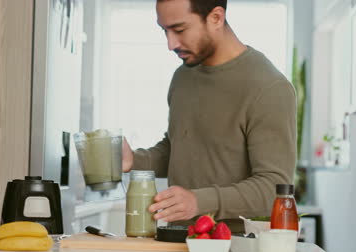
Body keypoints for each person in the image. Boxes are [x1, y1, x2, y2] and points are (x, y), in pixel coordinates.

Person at [122, 0, 296, 232]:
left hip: (238, 248)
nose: (170, 43)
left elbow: (273, 189)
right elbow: (179, 148)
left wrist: (199, 202)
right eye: (165, 30)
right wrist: (134, 160)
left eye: (180, 30)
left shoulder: (268, 87)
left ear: (216, 17)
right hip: (178, 241)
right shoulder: (183, 77)